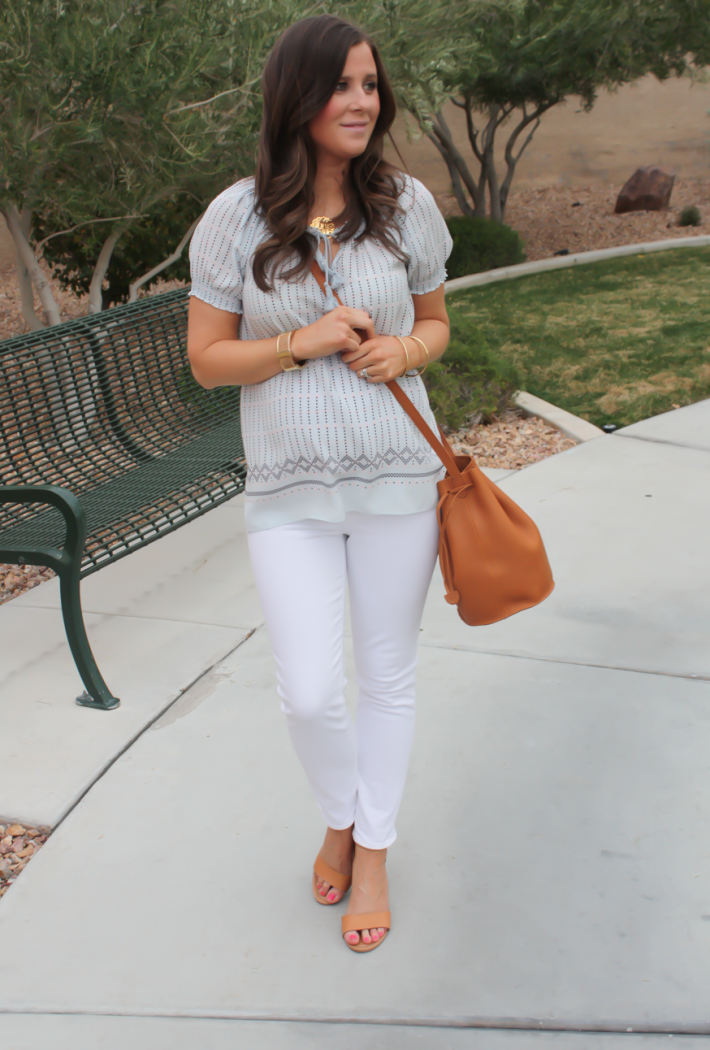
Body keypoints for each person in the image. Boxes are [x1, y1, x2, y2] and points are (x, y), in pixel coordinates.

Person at [187, 13, 452, 953]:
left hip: (398, 481)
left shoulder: (405, 203)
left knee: (386, 676)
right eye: (342, 84)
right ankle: (341, 809)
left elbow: (436, 324)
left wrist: (402, 349)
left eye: (370, 85)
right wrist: (298, 344)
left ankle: (369, 843)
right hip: (289, 493)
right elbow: (208, 363)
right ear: (296, 95)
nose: (359, 101)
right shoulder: (236, 217)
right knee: (307, 691)